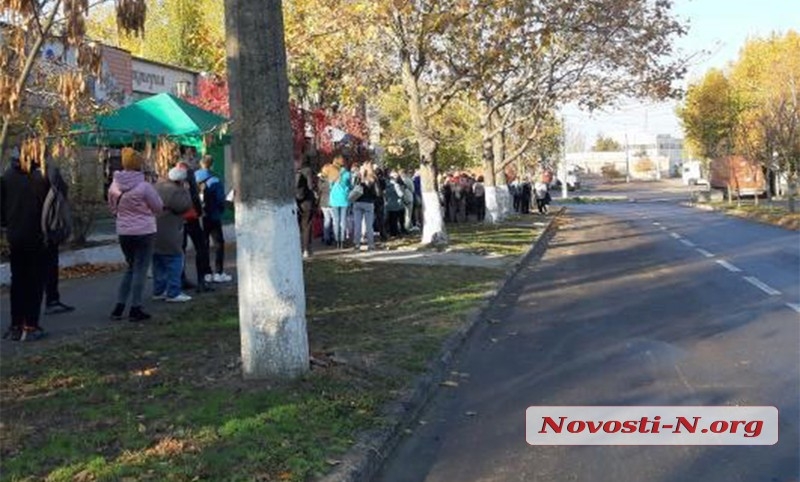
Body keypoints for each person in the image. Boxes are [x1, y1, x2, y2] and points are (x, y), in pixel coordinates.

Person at [107, 148, 163, 322]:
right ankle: (135, 308)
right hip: (144, 231)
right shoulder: (144, 186)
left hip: (124, 232)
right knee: (140, 269)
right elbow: (158, 207)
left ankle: (119, 307)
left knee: (130, 268)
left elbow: (112, 208)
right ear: (139, 165)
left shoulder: (114, 186)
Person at [1, 154, 50, 341]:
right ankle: (31, 324)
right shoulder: (41, 178)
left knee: (18, 281)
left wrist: (8, 224)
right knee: (35, 282)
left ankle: (16, 324)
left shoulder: (7, 177)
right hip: (36, 236)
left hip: (15, 236)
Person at [153, 166, 194, 302]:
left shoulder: (157, 186)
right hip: (170, 229)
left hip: (154, 228)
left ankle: (159, 290)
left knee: (158, 261)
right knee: (175, 259)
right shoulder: (176, 191)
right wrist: (186, 191)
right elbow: (184, 206)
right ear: (180, 181)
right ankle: (173, 292)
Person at [42, 162, 75, 315]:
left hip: (24, 230)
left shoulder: (11, 174)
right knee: (49, 266)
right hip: (49, 229)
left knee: (31, 270)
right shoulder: (49, 171)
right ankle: (51, 300)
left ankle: (23, 317)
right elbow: (63, 191)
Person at [177, 157, 213, 292]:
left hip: (179, 219)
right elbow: (194, 197)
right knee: (201, 248)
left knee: (181, 250)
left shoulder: (172, 180)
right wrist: (199, 212)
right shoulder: (189, 175)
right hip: (191, 218)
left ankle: (181, 279)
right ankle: (201, 282)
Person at [195, 155, 231, 282]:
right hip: (214, 215)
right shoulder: (215, 180)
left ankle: (206, 272)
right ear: (212, 165)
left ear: (200, 164)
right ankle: (218, 272)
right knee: (218, 244)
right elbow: (221, 199)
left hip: (199, 216)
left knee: (202, 244)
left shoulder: (194, 177)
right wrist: (221, 209)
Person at [351, 162, 379, 251]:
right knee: (369, 225)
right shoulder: (373, 178)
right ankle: (371, 245)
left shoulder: (359, 177)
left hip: (358, 202)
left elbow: (353, 187)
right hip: (369, 203)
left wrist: (361, 175)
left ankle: (357, 245)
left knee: (357, 224)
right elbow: (377, 191)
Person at [328, 156, 351, 249]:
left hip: (334, 199)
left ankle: (337, 241)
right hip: (344, 199)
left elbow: (330, 186)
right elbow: (350, 185)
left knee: (336, 221)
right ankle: (342, 240)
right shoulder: (347, 174)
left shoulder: (331, 174)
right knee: (343, 221)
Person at [295, 160, 315, 258]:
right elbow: (310, 186)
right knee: (306, 226)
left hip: (296, 202)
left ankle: (297, 248)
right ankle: (306, 249)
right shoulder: (307, 171)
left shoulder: (292, 171)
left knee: (297, 226)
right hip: (307, 202)